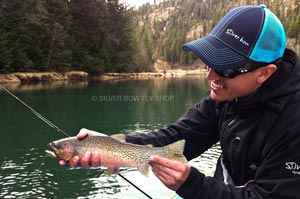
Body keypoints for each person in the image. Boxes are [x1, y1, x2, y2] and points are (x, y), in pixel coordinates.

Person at [60, 5, 300, 199]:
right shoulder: (225, 94)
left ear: (264, 73)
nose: (210, 76)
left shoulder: (293, 123)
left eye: (225, 69)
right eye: (209, 62)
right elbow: (179, 136)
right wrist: (108, 145)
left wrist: (192, 184)